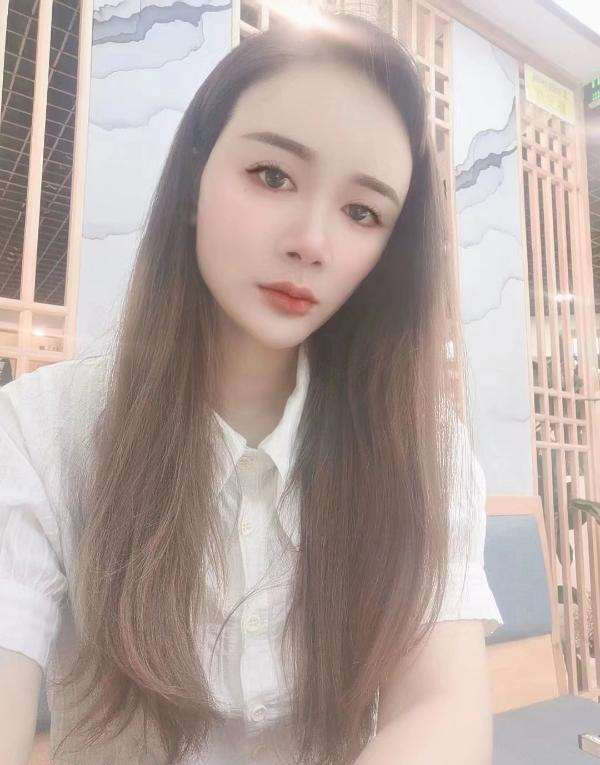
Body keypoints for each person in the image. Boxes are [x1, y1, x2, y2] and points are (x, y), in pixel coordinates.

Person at [0, 10, 503, 765]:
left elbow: (443, 705)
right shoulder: (41, 431)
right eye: (272, 175)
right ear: (195, 177)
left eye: (362, 211)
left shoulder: (423, 448)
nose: (312, 241)